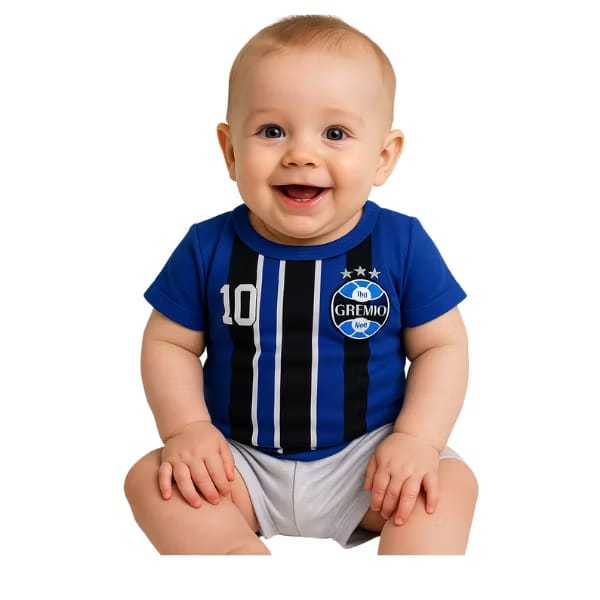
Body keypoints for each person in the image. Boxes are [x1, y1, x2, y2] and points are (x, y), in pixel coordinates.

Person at [124, 14, 478, 555]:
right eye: (272, 131)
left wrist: (417, 440)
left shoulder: (402, 244)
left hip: (369, 463)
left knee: (449, 486)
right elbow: (168, 342)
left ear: (383, 157)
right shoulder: (207, 246)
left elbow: (441, 346)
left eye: (335, 134)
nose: (301, 154)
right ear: (230, 151)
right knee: (151, 480)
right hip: (236, 462)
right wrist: (186, 430)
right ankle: (235, 557)